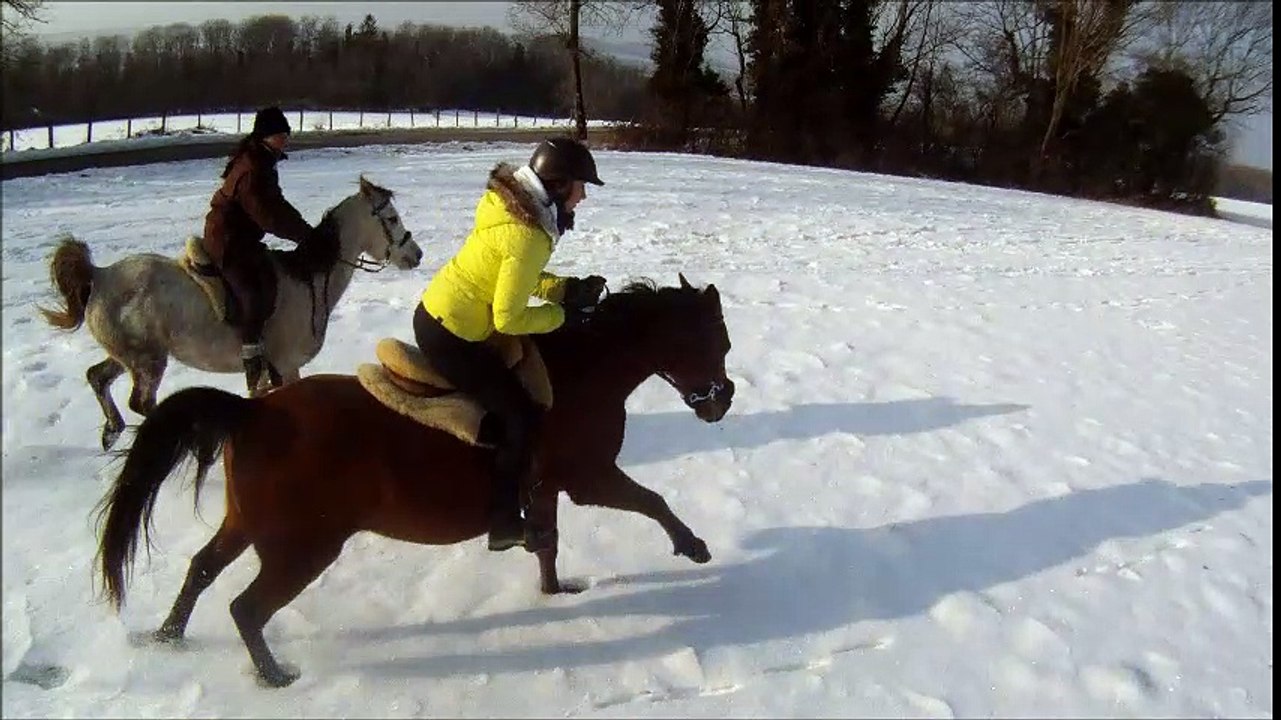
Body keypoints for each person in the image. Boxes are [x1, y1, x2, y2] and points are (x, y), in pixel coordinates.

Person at [414, 137, 608, 552]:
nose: (584, 196)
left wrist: (565, 290)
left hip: (441, 311)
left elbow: (517, 275)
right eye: (580, 186)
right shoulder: (528, 234)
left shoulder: (516, 212)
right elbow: (509, 318)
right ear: (558, 185)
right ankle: (503, 522)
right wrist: (563, 317)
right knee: (520, 416)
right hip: (451, 336)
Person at [201, 106, 316, 395]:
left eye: (286, 134)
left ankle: (273, 354)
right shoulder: (252, 169)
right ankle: (253, 360)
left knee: (271, 280)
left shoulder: (264, 161)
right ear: (265, 136)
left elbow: (278, 204)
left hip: (245, 240)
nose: (285, 140)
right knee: (252, 295)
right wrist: (304, 237)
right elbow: (266, 215)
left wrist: (308, 232)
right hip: (227, 242)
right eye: (280, 135)